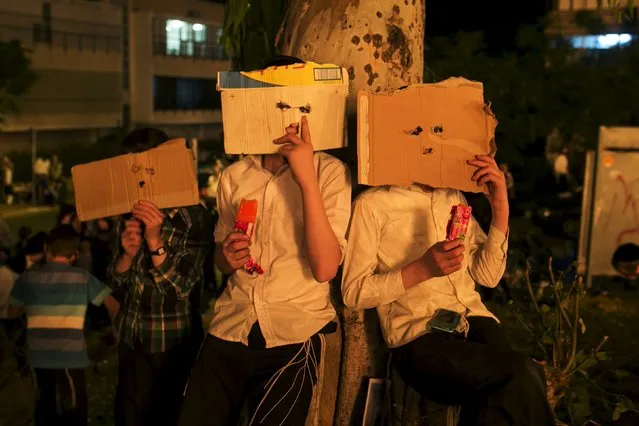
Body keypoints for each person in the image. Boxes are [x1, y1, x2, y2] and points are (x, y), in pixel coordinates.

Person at [179, 56, 352, 426]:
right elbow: (223, 262)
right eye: (277, 104)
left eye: (302, 106)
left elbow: (325, 269)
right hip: (233, 322)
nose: (289, 116)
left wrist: (306, 179)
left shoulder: (331, 173)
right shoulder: (234, 175)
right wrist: (228, 255)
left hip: (295, 329)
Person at [341, 155, 555, 426]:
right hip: (421, 335)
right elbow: (353, 292)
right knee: (518, 374)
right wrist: (421, 270)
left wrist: (500, 207)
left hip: (474, 321)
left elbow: (487, 276)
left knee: (510, 393)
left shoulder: (452, 197)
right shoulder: (373, 205)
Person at [108, 127, 213, 426]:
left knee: (168, 416)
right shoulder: (128, 212)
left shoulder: (192, 216)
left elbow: (182, 286)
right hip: (132, 336)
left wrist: (154, 241)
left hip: (170, 340)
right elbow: (115, 281)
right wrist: (126, 255)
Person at [8, 226, 118, 426]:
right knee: (74, 406)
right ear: (74, 256)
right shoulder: (82, 278)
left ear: (47, 250)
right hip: (70, 354)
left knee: (43, 402)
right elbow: (113, 306)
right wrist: (114, 331)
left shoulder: (28, 277)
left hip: (38, 352)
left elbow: (12, 312)